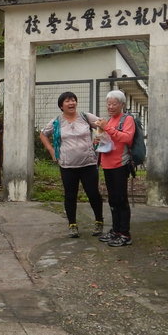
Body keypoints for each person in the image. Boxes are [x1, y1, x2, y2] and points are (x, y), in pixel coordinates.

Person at [39, 91, 104, 239]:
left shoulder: (85, 117)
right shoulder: (56, 122)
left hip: (88, 164)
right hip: (67, 165)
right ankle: (72, 225)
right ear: (61, 106)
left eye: (73, 100)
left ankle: (99, 221)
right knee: (70, 195)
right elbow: (43, 134)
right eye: (67, 101)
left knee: (93, 193)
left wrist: (98, 137)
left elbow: (103, 124)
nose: (71, 103)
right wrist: (52, 151)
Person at [99, 90, 135, 247]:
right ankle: (115, 230)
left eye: (114, 104)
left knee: (121, 199)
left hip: (120, 165)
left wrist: (107, 128)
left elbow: (127, 138)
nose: (110, 107)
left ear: (122, 105)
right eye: (108, 104)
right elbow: (109, 139)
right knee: (112, 199)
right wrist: (99, 139)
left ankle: (125, 234)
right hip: (107, 164)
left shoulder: (127, 119)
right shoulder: (109, 120)